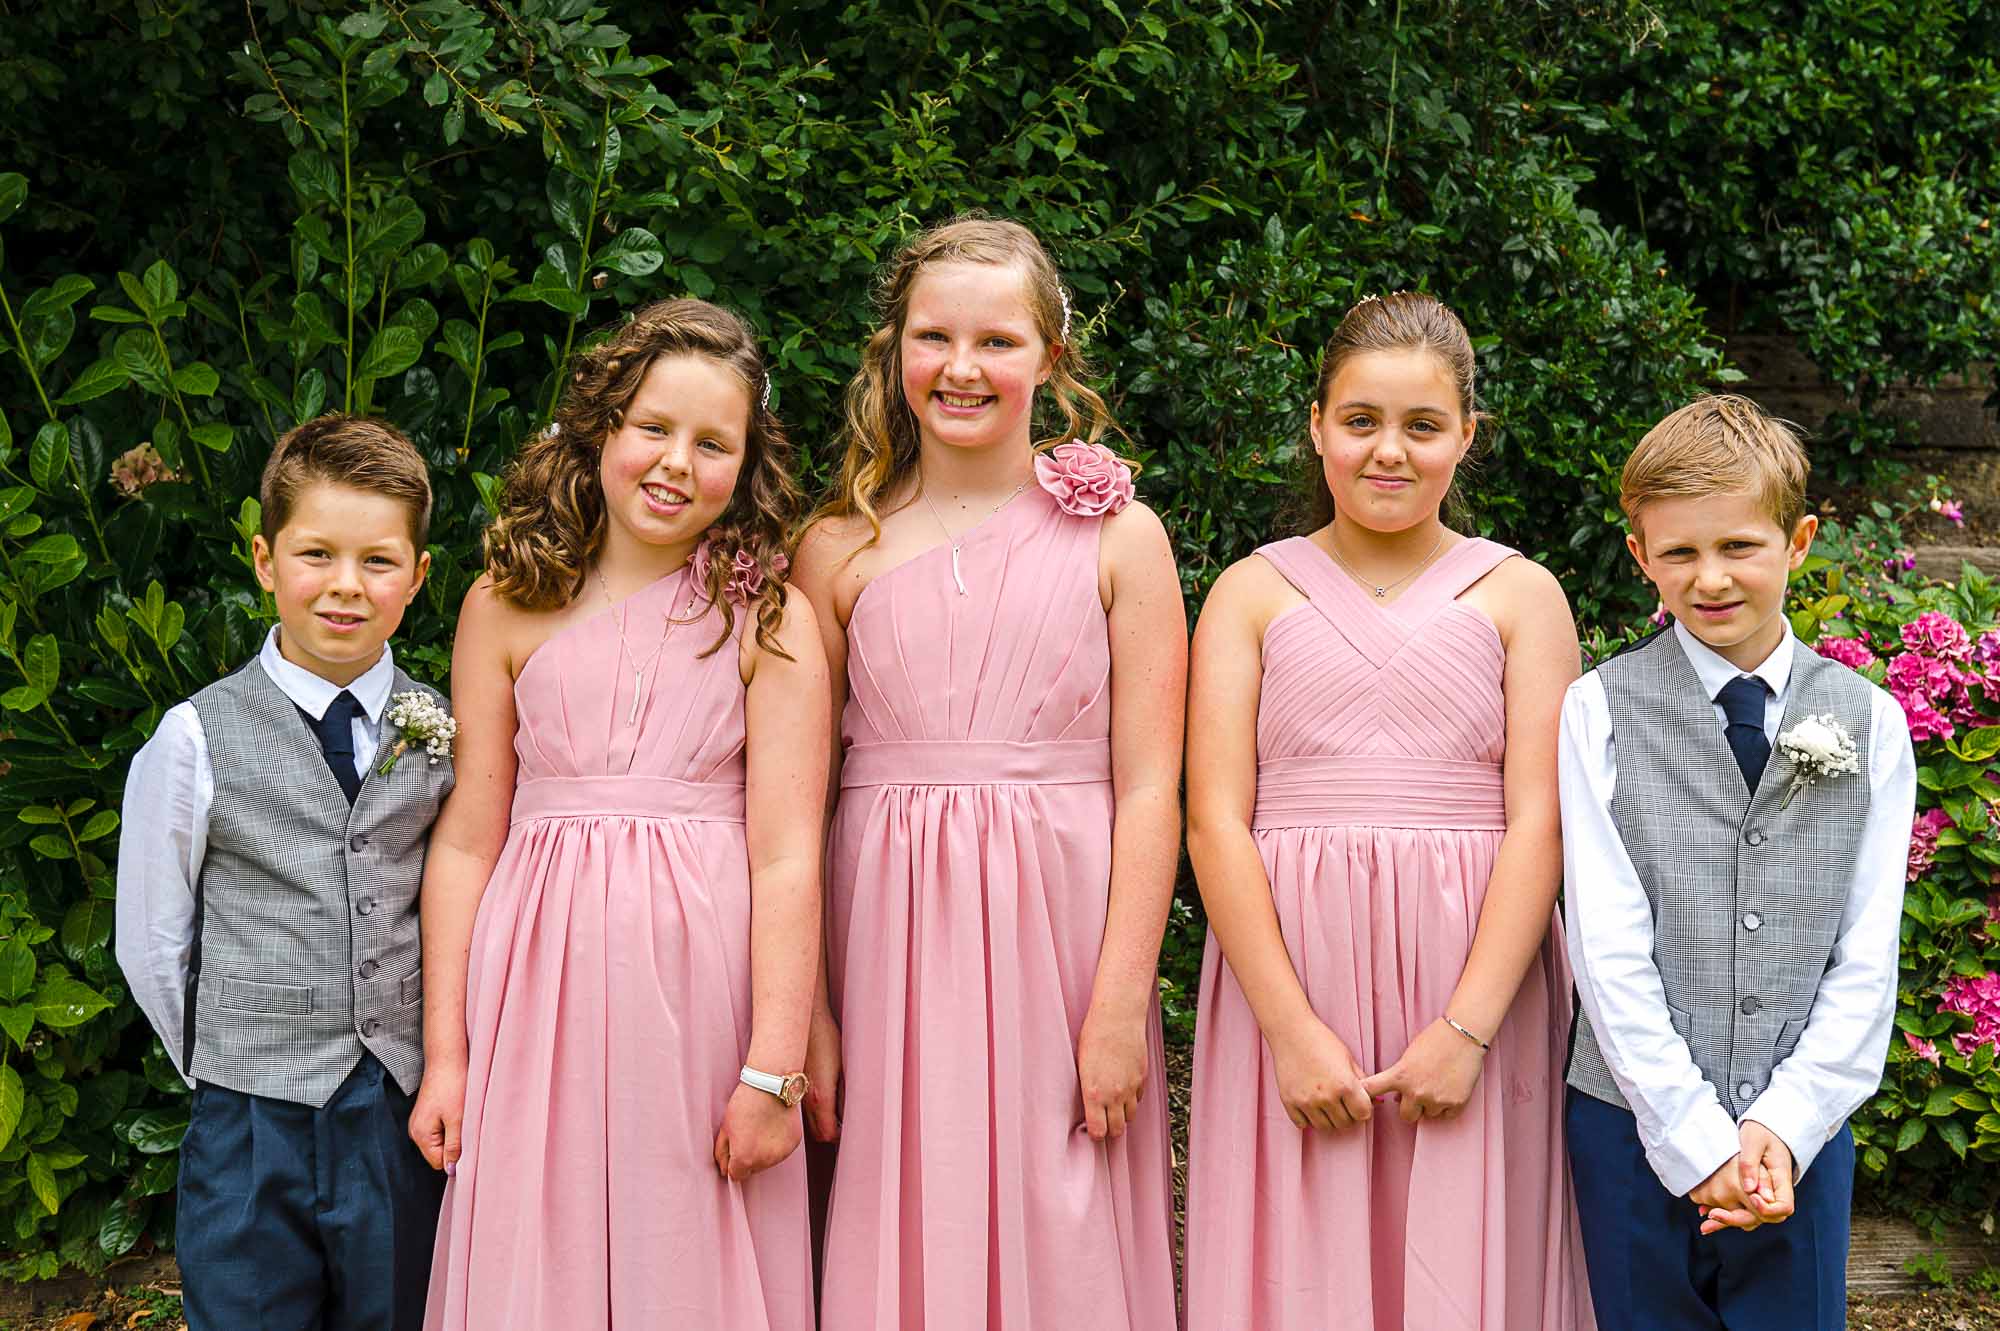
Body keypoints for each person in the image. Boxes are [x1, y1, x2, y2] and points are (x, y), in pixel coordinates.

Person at [791, 215, 1183, 1329]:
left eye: (997, 341)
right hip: (883, 937)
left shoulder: (1120, 539)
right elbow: (796, 800)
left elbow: (1151, 784)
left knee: (1061, 1215)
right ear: (895, 352)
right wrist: (808, 1010)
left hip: (1061, 936)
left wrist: (1119, 999)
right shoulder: (835, 549)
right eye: (933, 337)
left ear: (1049, 359)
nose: (961, 368)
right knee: (901, 1197)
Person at [1183, 291, 1595, 1330]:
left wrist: (1466, 1027)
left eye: (1421, 425)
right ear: (1316, 423)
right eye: (1359, 420)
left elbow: (1541, 820)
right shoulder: (1249, 591)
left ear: (1467, 433)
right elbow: (1211, 818)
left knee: (1464, 1256)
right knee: (1300, 1256)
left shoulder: (1518, 594)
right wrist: (1288, 1027)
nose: (1387, 452)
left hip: (1471, 983)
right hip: (1291, 978)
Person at [416, 300, 828, 1330]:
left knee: (680, 1239)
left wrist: (773, 1068)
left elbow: (786, 854)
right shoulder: (501, 604)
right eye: (653, 427)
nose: (674, 462)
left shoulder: (768, 617)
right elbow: (468, 838)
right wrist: (448, 1053)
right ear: (600, 424)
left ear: (748, 462)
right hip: (535, 989)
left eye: (711, 442)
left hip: (700, 995)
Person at [1562, 393, 1917, 1330]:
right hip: (1630, 1122)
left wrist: (1782, 1127)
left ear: (1799, 540)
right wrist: (1690, 1136)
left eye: (1739, 547)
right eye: (1679, 552)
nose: (1710, 577)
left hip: (1799, 1133)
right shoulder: (1597, 710)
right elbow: (1603, 946)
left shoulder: (1871, 721)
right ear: (1641, 557)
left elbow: (1866, 957)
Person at [116, 414, 449, 1330]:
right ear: (265, 560)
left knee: (398, 1312)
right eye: (317, 554)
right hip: (249, 1120)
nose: (346, 585)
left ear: (418, 578)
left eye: (379, 561)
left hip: (393, 1110)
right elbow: (151, 935)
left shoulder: (443, 728)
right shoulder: (196, 736)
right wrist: (223, 1061)